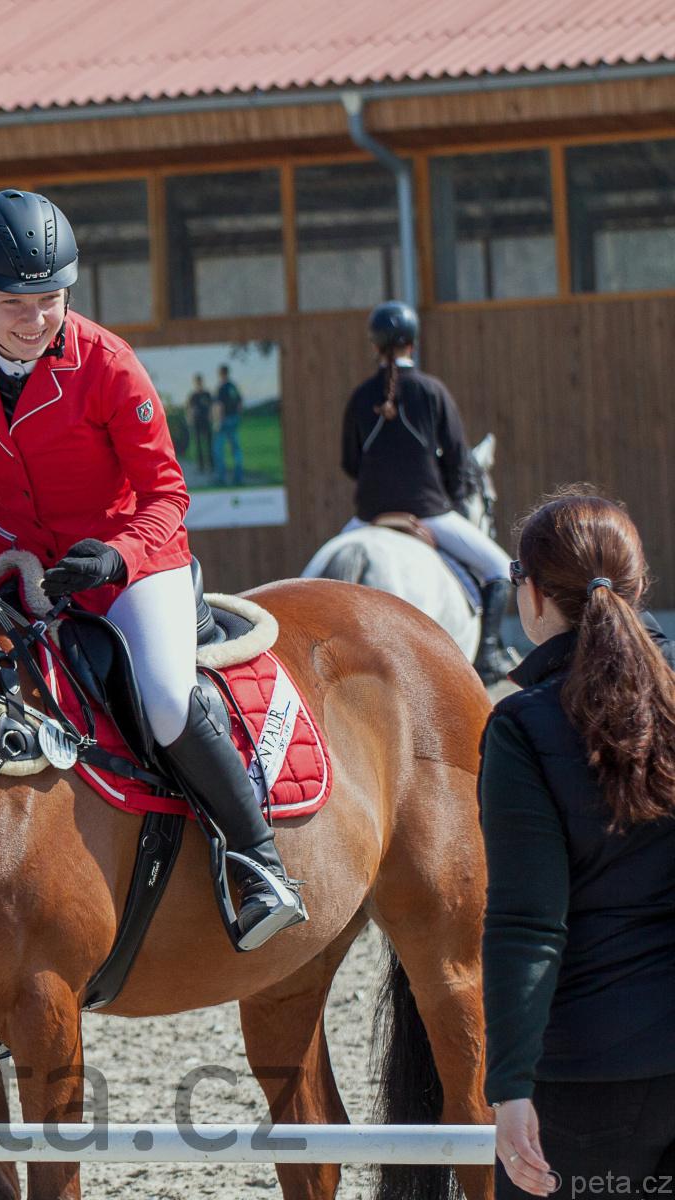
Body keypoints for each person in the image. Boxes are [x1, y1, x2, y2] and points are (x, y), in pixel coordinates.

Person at [0, 189, 305, 951]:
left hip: (128, 556)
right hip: (15, 550)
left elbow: (168, 495)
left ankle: (257, 860)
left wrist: (119, 555)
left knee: (164, 700)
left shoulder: (108, 363)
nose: (35, 320)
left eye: (50, 300)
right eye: (14, 304)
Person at [480, 489, 675, 1199]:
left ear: (533, 595)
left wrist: (509, 1085)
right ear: (637, 585)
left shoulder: (522, 728)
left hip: (588, 1079)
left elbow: (529, 923)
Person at [339, 300, 514, 683]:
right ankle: (488, 655)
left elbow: (350, 463)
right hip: (429, 511)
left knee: (313, 583)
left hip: (368, 517)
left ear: (374, 346)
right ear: (412, 344)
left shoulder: (359, 397)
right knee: (501, 569)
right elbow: (458, 460)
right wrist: (449, 499)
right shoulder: (432, 391)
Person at [212, 364, 244, 486]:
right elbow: (240, 404)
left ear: (220, 373)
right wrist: (237, 417)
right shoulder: (233, 387)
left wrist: (218, 422)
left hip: (223, 420)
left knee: (218, 450)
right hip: (234, 419)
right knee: (236, 449)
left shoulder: (221, 388)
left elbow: (219, 406)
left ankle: (221, 477)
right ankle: (238, 477)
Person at [185, 374, 214, 478]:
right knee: (198, 445)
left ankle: (211, 464)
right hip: (197, 422)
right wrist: (190, 420)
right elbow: (189, 409)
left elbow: (212, 407)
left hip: (206, 422)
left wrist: (212, 418)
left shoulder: (207, 394)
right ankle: (201, 465)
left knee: (209, 444)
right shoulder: (193, 395)